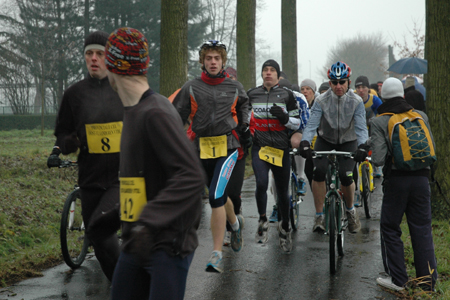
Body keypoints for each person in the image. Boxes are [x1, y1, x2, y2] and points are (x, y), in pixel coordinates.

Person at [105, 27, 204, 300]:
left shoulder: (156, 112)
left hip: (167, 246)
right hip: (138, 240)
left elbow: (191, 176)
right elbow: (141, 180)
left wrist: (148, 221)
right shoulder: (134, 111)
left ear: (113, 66)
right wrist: (112, 218)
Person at [46, 30, 122, 281]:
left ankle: (132, 285)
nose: (94, 58)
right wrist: (69, 141)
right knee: (98, 240)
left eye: (100, 53)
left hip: (122, 178)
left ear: (109, 57)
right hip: (90, 179)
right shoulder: (74, 94)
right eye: (89, 53)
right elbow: (62, 133)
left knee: (101, 228)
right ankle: (121, 286)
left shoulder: (123, 89)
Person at [173, 40, 250, 273]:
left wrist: (244, 124)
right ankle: (235, 225)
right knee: (218, 193)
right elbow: (177, 115)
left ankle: (216, 253)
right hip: (201, 149)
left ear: (223, 61)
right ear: (203, 62)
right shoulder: (191, 87)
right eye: (209, 58)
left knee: (216, 195)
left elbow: (245, 107)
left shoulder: (234, 86)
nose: (213, 62)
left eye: (217, 58)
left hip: (228, 147)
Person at [370, 77, 437, 292]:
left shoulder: (380, 121)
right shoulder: (421, 116)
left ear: (383, 97)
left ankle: (398, 280)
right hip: (422, 180)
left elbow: (379, 159)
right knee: (422, 229)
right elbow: (431, 149)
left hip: (397, 181)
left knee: (390, 228)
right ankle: (427, 282)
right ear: (403, 95)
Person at [299, 61, 369, 234]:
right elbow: (311, 124)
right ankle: (319, 215)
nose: (339, 86)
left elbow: (361, 128)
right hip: (326, 139)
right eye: (335, 82)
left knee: (347, 175)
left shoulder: (357, 101)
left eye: (342, 82)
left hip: (348, 140)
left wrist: (362, 146)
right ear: (329, 83)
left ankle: (351, 210)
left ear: (348, 82)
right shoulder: (321, 100)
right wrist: (306, 142)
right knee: (318, 171)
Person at [248, 59, 300, 252]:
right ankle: (262, 221)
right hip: (260, 147)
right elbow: (244, 118)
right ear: (261, 74)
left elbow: (297, 122)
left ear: (278, 75)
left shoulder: (287, 95)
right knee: (261, 183)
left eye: (272, 70)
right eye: (265, 70)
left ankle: (284, 227)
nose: (268, 73)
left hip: (280, 149)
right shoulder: (252, 94)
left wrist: (285, 118)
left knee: (282, 192)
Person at [355, 75, 383, 180]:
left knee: (375, 139)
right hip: (357, 124)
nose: (361, 90)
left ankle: (377, 165)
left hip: (371, 123)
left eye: (364, 87)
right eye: (358, 88)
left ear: (368, 89)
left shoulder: (374, 99)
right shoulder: (352, 98)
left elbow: (382, 115)